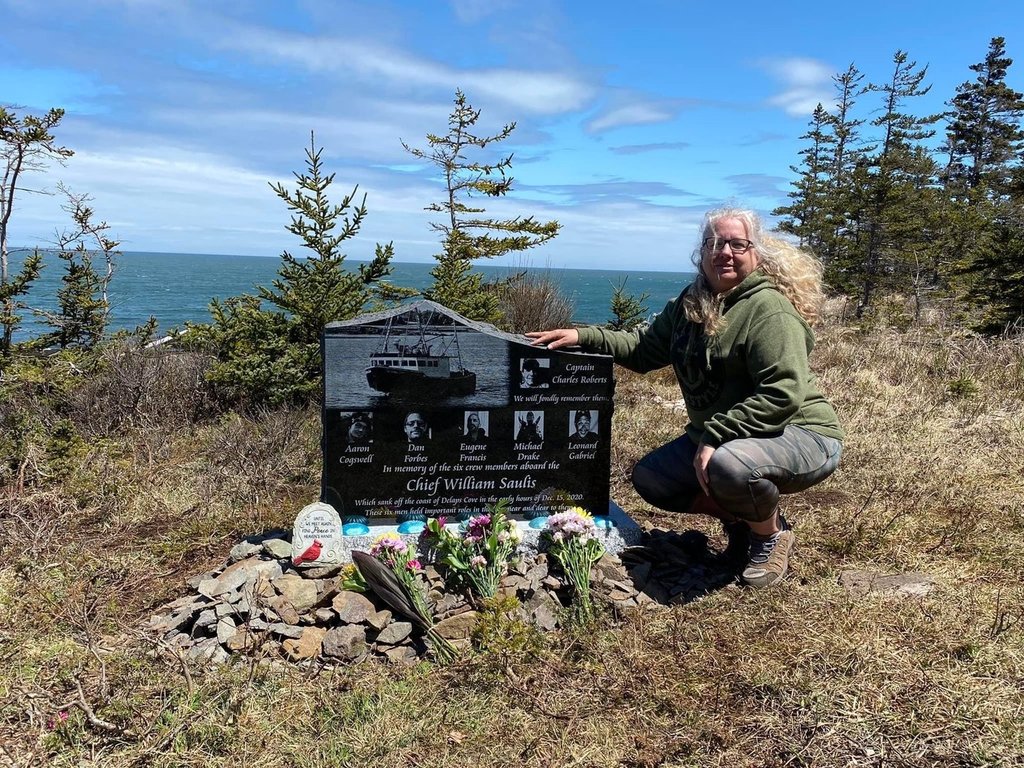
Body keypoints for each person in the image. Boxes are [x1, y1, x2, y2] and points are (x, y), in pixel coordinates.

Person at [527, 208, 843, 588]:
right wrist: (584, 337)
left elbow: (783, 394)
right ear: (702, 251)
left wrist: (713, 435)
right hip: (731, 435)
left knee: (730, 466)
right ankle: (743, 520)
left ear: (756, 252)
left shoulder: (769, 310)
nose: (723, 252)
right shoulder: (692, 303)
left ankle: (770, 534)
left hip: (800, 432)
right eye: (713, 243)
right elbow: (645, 349)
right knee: (653, 479)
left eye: (736, 243)